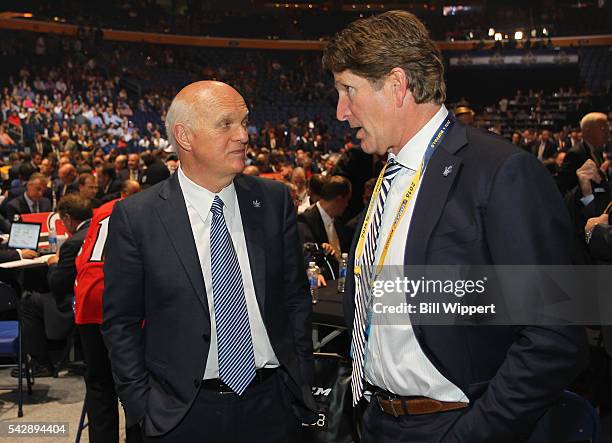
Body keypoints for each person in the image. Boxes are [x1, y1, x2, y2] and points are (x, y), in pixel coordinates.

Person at [323, 11, 587, 442]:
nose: (341, 111)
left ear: (396, 85)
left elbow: (557, 332)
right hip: (376, 420)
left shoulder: (500, 172)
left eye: (348, 90)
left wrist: (477, 432)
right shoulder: (387, 178)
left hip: (455, 425)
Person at [101, 80, 316, 441]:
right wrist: (143, 406)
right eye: (225, 124)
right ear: (185, 137)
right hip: (181, 415)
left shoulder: (274, 201)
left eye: (243, 122)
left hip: (273, 404)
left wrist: (302, 379)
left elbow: (294, 298)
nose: (243, 135)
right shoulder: (137, 217)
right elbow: (120, 322)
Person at [75, 185, 142, 443]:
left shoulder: (102, 211)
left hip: (88, 300)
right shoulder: (146, 209)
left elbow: (82, 261)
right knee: (133, 382)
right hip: (120, 301)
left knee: (99, 385)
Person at [16, 194, 92, 377]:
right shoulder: (96, 231)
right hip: (96, 295)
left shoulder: (72, 243)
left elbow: (57, 284)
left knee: (29, 300)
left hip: (74, 301)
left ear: (67, 218)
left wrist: (54, 263)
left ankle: (40, 363)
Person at [557, 112, 609, 195]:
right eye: (603, 128)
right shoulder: (575, 154)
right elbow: (564, 188)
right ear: (588, 130)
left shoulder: (598, 152)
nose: (607, 131)